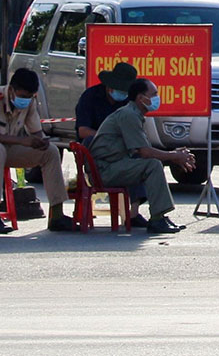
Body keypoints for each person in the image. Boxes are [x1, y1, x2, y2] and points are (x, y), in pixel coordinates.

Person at [89, 78, 195, 235]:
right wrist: (174, 156)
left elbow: (143, 150)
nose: (156, 98)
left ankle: (160, 216)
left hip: (113, 165)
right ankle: (158, 218)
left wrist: (175, 154)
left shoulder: (134, 114)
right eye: (154, 94)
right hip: (104, 170)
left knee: (151, 163)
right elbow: (145, 152)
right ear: (141, 98)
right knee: (152, 165)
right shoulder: (128, 115)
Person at [0, 68, 77, 233]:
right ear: (11, 90)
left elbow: (35, 131)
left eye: (29, 97)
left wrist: (40, 141)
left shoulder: (30, 103)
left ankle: (57, 214)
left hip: (11, 150)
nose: (25, 100)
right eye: (22, 96)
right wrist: (23, 141)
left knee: (50, 151)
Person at [76, 61, 149, 228]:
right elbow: (83, 131)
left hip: (121, 148)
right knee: (89, 141)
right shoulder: (90, 97)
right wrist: (107, 136)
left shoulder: (129, 104)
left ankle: (134, 211)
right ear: (109, 88)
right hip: (96, 148)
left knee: (138, 154)